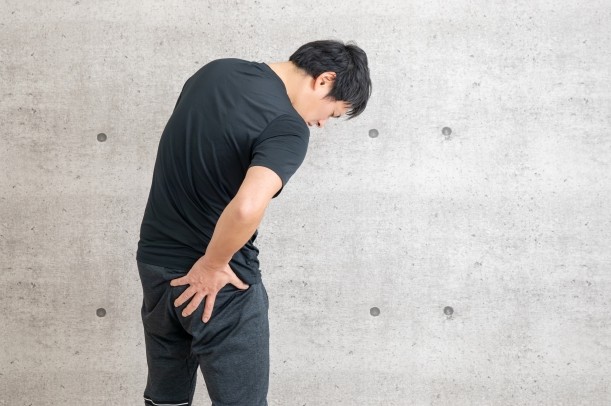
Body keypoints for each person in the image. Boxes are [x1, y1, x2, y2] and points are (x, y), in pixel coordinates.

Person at [136, 39, 372, 406]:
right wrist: (211, 265)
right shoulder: (288, 127)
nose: (322, 123)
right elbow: (247, 207)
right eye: (333, 112)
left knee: (165, 399)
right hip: (219, 283)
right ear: (324, 80)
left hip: (155, 264)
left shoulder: (214, 71)